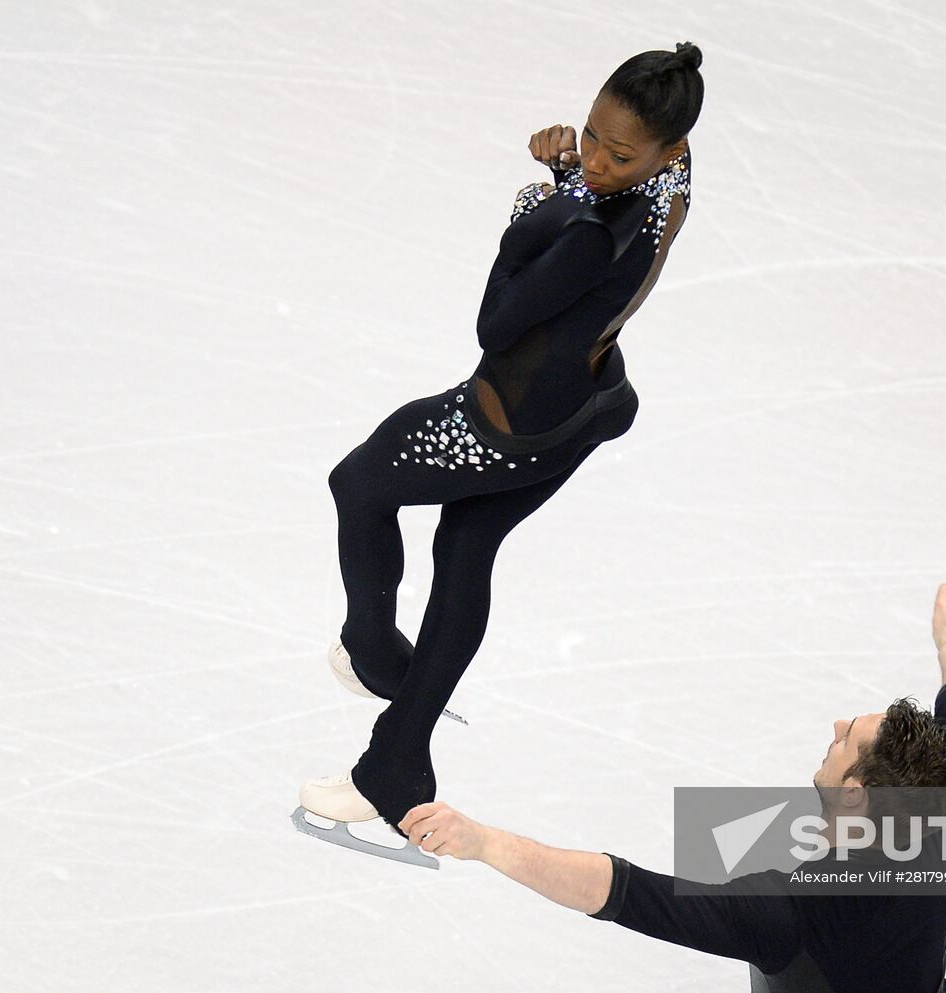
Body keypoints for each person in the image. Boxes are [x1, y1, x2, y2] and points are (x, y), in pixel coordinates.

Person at [297, 42, 706, 849]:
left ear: (666, 148)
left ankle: (379, 655)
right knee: (466, 542)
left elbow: (496, 318)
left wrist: (541, 200)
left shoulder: (592, 228)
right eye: (590, 134)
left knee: (359, 483)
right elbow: (603, 198)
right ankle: (398, 761)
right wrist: (582, 180)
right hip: (588, 402)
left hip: (505, 426)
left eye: (618, 153)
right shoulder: (674, 180)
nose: (594, 159)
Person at [398, 584, 946, 991]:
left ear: (854, 793)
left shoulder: (790, 914)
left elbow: (624, 891)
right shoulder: (929, 816)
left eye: (850, 740)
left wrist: (483, 842)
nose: (838, 726)